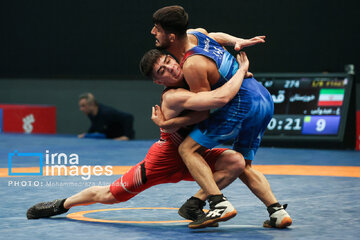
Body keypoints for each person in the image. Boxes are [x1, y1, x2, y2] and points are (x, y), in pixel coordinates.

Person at [26, 52, 250, 224]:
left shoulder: (192, 78)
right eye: (161, 71)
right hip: (162, 162)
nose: (170, 69)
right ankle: (61, 204)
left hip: (194, 158)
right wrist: (240, 72)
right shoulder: (174, 96)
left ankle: (194, 204)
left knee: (236, 162)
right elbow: (217, 100)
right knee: (109, 195)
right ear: (157, 81)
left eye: (169, 62)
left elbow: (199, 34)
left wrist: (236, 43)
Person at [150, 5, 292, 229]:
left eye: (157, 29)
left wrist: (169, 124)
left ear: (171, 36)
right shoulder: (195, 34)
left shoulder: (192, 65)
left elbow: (204, 111)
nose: (153, 33)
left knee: (187, 149)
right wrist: (238, 40)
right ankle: (276, 212)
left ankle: (218, 204)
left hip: (242, 103)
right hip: (263, 97)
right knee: (242, 164)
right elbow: (215, 36)